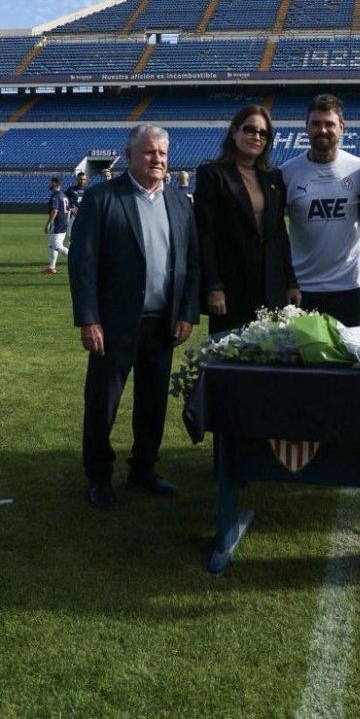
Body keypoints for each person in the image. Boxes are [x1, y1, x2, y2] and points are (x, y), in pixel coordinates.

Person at [68, 124, 200, 509]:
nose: (157, 159)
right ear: (129, 155)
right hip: (113, 325)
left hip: (162, 323)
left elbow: (192, 264)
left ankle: (143, 468)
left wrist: (186, 313)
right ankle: (98, 476)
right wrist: (89, 319)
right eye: (149, 152)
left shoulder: (179, 202)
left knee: (153, 403)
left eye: (162, 153)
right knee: (103, 403)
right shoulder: (102, 198)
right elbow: (82, 264)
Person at [194, 105, 299, 334]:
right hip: (231, 287)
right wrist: (213, 286)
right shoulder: (212, 174)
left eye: (263, 133)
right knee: (231, 351)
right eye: (250, 130)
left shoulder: (273, 177)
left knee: (273, 349)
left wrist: (290, 282)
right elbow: (205, 235)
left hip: (272, 286)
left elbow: (279, 233)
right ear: (235, 132)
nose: (256, 137)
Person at [280, 94, 360, 327]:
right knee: (301, 350)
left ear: (342, 127)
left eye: (329, 124)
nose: (323, 130)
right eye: (316, 123)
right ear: (306, 127)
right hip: (302, 286)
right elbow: (275, 231)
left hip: (347, 286)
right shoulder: (287, 173)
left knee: (349, 348)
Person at [43, 177, 69, 274]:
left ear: (55, 184)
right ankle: (51, 267)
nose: (49, 184)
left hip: (58, 223)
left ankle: (77, 259)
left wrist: (49, 223)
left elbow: (55, 210)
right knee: (51, 244)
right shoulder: (63, 195)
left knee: (57, 245)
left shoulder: (55, 196)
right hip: (63, 222)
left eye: (51, 183)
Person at [65, 171, 88, 238]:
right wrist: (69, 207)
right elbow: (64, 199)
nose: (82, 181)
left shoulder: (88, 190)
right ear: (77, 179)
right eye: (81, 179)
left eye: (84, 179)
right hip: (73, 216)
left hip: (84, 216)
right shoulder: (71, 189)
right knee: (71, 236)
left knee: (83, 236)